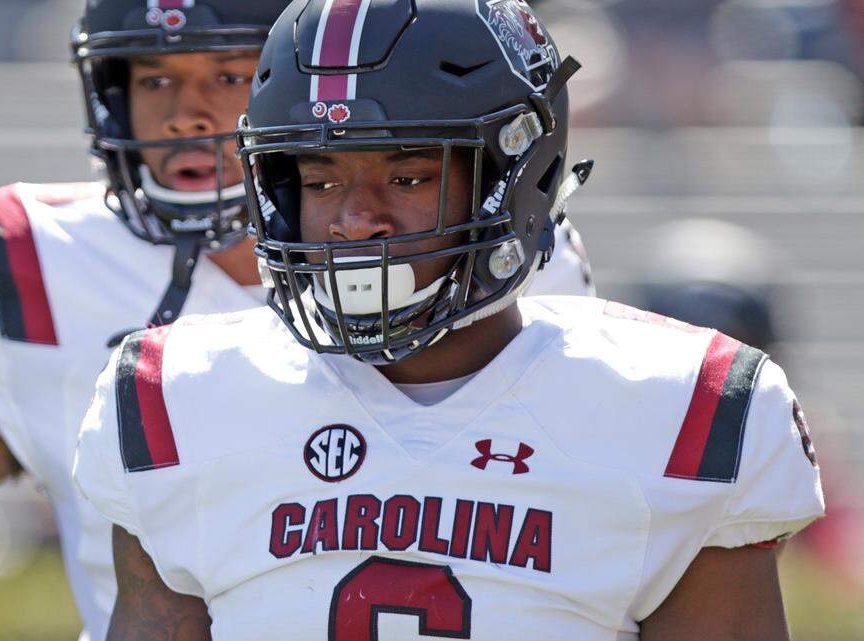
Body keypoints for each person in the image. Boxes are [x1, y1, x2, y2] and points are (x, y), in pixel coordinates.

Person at [0, 0, 598, 640]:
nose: (188, 113)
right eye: (155, 78)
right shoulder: (40, 268)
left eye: (227, 75)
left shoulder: (491, 250)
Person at [73, 1, 824, 640]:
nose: (355, 220)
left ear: (513, 178)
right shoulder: (178, 397)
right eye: (320, 176)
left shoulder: (678, 409)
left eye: (407, 176)